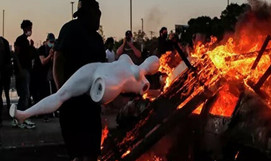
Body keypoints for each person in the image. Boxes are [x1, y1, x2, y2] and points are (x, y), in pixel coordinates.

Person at [45, 0, 116, 161]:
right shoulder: (71, 30)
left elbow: (100, 72)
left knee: (82, 156)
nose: (99, 17)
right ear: (88, 13)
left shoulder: (96, 39)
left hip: (90, 103)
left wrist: (106, 98)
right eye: (97, 13)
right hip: (73, 103)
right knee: (89, 154)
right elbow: (58, 62)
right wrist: (62, 94)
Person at [9, 53, 160, 123]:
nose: (152, 62)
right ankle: (24, 114)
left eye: (154, 63)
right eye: (152, 60)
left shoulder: (143, 83)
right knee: (62, 94)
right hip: (96, 69)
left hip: (110, 83)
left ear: (154, 69)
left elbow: (141, 95)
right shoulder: (128, 60)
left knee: (66, 95)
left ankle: (25, 114)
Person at [13, 20, 36, 129]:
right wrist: (20, 69)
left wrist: (31, 47)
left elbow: (30, 56)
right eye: (29, 28)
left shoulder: (27, 42)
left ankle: (21, 117)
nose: (30, 30)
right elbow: (16, 55)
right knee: (24, 94)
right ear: (25, 28)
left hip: (27, 70)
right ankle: (20, 117)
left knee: (26, 95)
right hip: (23, 71)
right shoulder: (20, 40)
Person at [37, 33, 56, 121]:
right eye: (51, 42)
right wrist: (50, 56)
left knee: (53, 93)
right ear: (47, 41)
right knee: (44, 94)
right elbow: (43, 62)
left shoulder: (53, 49)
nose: (51, 44)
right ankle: (44, 113)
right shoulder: (42, 49)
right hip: (42, 75)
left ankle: (53, 112)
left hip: (51, 75)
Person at [0, 37, 11, 127]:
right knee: (6, 93)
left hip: (4, 73)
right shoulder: (5, 42)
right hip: (5, 73)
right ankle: (8, 111)